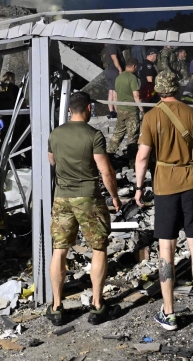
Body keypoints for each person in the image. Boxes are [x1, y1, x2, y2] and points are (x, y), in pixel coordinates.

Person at [134, 71, 193, 331]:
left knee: (167, 250)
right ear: (177, 87)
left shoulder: (151, 117)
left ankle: (170, 314)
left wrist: (139, 187)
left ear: (157, 92)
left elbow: (142, 158)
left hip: (165, 187)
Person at [47, 92, 122, 325]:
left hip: (61, 198)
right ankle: (97, 306)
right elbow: (105, 171)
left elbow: (52, 161)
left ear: (70, 109)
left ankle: (57, 307)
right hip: (88, 197)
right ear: (88, 108)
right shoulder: (94, 135)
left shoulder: (55, 134)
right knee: (99, 248)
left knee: (59, 249)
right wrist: (115, 197)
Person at [109, 58, 142, 153]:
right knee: (133, 136)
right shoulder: (132, 78)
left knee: (118, 133)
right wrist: (142, 110)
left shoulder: (118, 78)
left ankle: (109, 153)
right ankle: (132, 160)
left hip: (120, 109)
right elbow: (136, 96)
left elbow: (115, 96)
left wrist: (116, 109)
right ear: (134, 66)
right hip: (131, 110)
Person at [101, 44, 124, 117]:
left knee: (111, 91)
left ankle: (111, 112)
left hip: (108, 71)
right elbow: (114, 57)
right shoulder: (112, 45)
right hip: (114, 70)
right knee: (115, 92)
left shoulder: (106, 48)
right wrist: (120, 69)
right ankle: (117, 112)